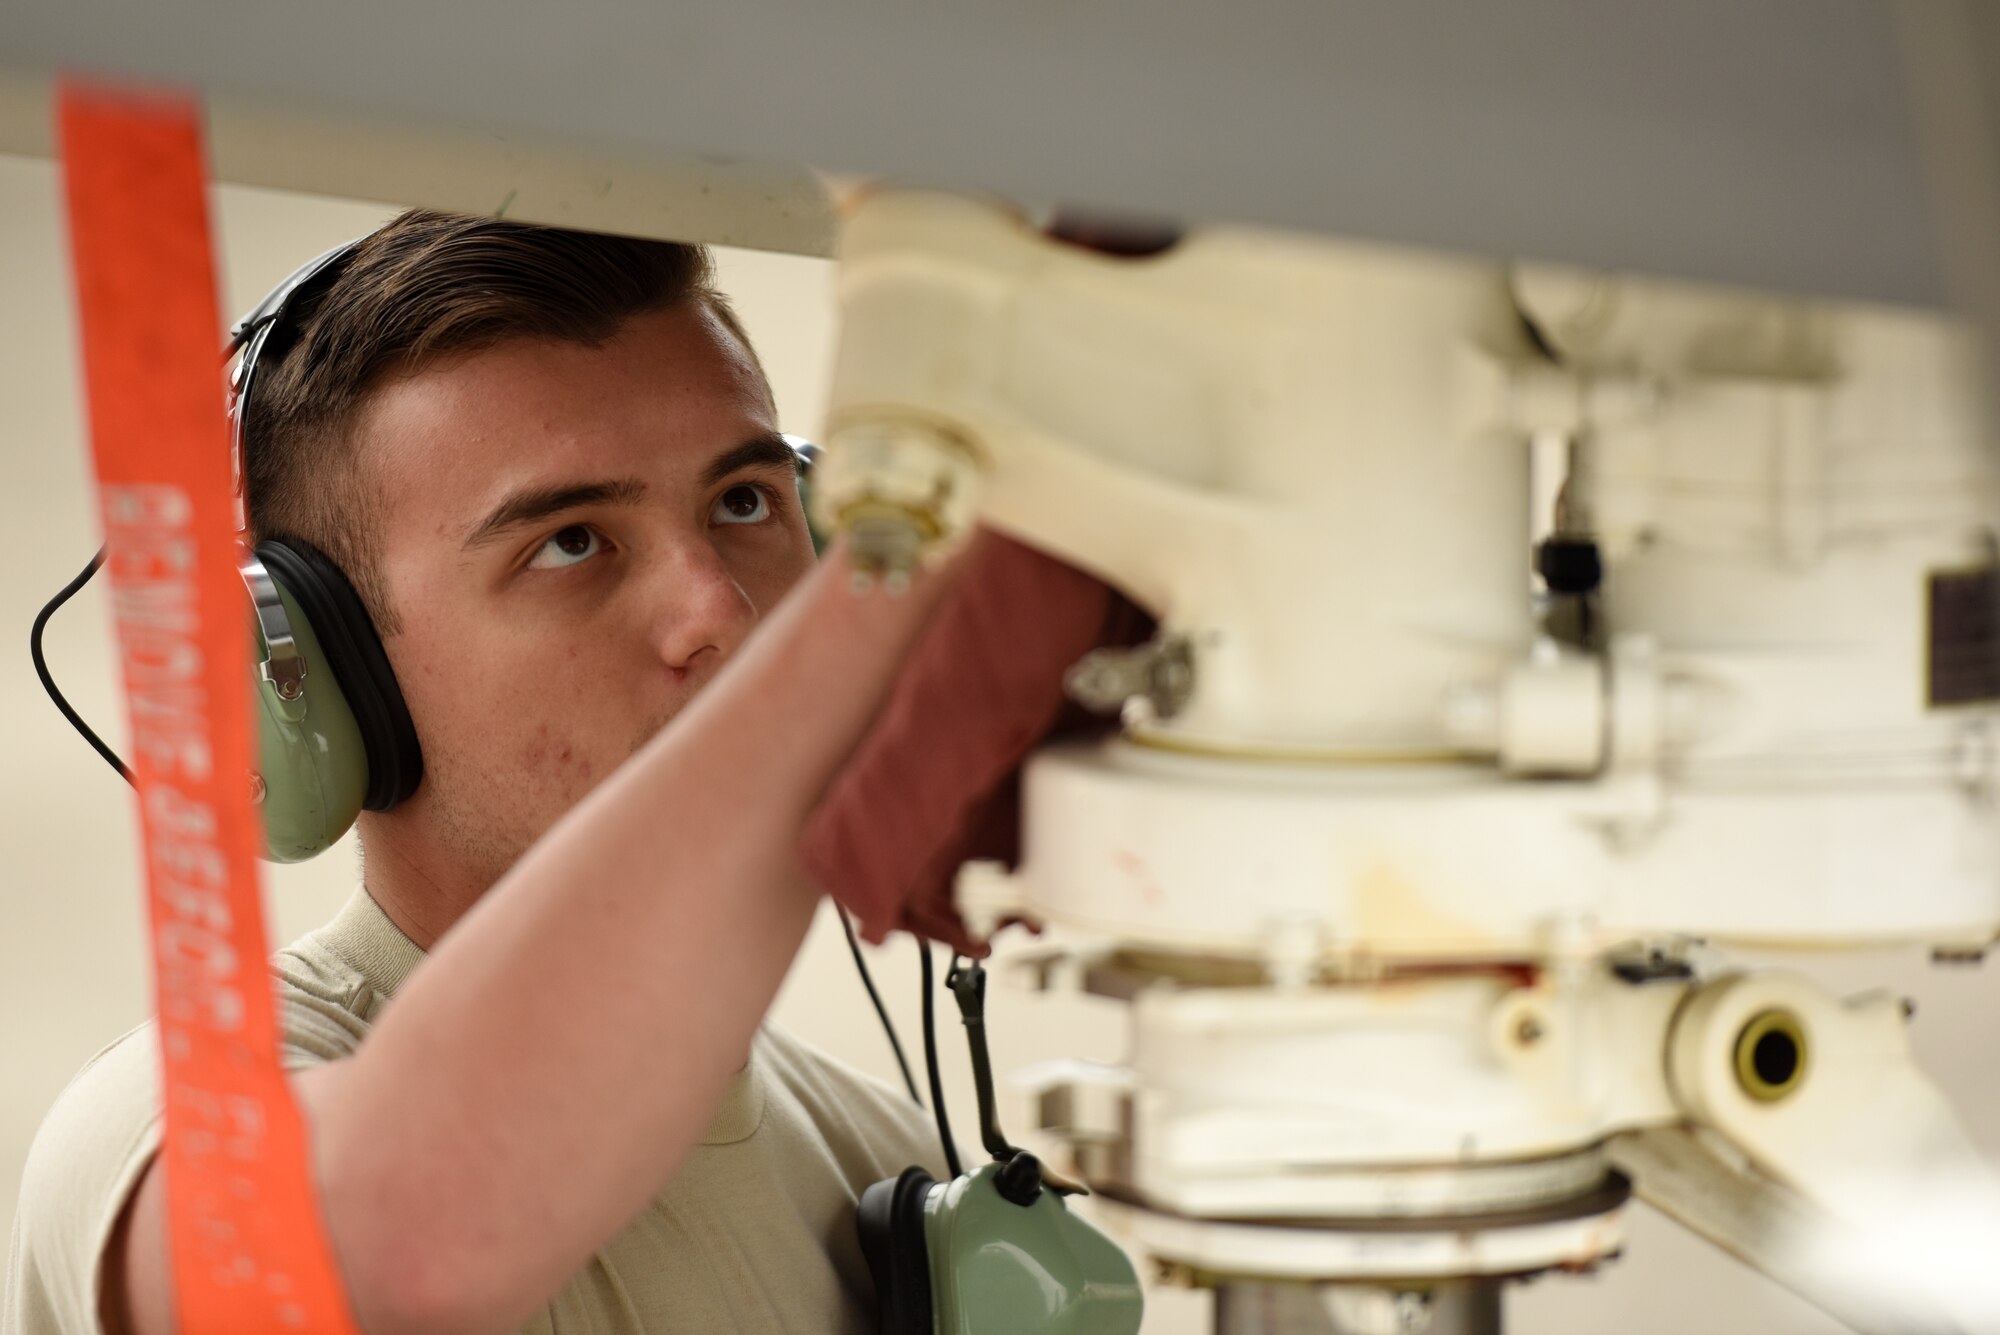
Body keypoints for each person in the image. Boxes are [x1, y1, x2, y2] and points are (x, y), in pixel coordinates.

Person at [5, 209, 961, 1335]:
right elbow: (389, 1260)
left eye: (742, 502)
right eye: (569, 541)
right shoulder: (165, 1128)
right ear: (316, 667)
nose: (720, 610)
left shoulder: (890, 1158)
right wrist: (887, 620)